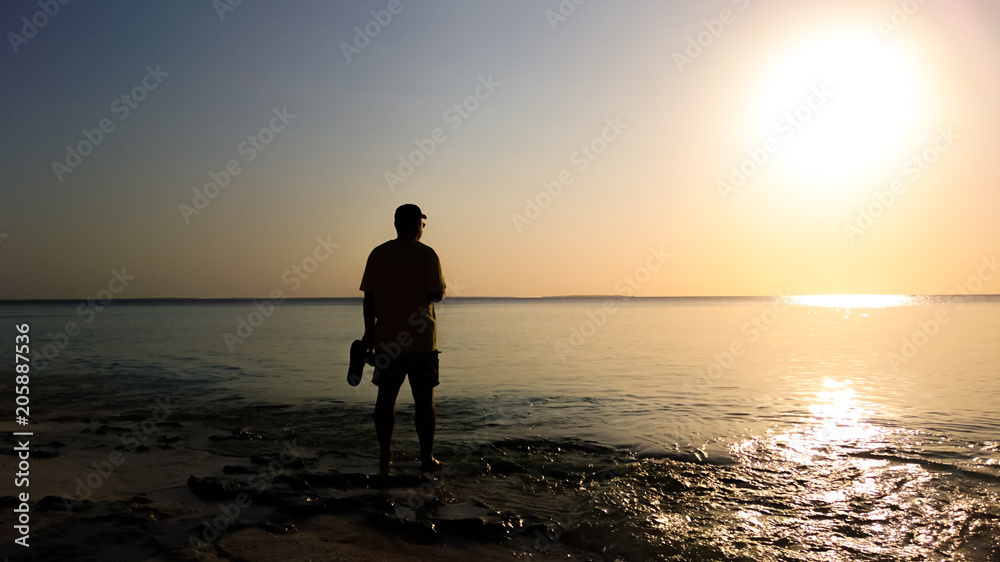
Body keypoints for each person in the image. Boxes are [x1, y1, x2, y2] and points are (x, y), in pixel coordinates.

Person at [360, 204, 446, 474]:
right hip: (421, 340)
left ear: (397, 225)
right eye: (422, 223)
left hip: (386, 340)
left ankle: (385, 455)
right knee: (424, 402)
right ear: (417, 225)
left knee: (386, 398)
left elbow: (369, 298)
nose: (423, 228)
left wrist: (368, 334)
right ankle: (426, 458)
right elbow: (436, 293)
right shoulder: (427, 254)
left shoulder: (379, 254)